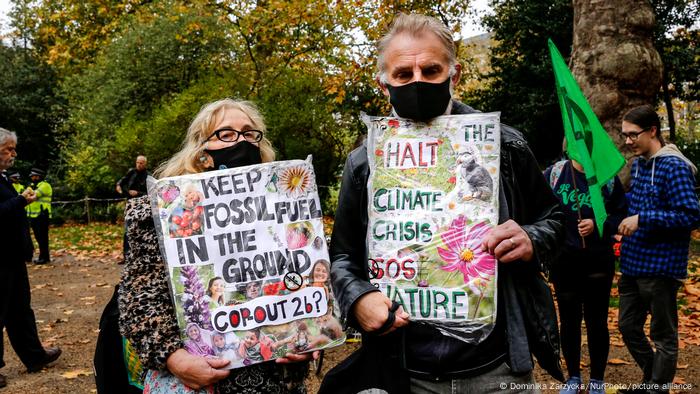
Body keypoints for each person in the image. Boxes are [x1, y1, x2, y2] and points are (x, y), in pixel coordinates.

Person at [328, 13, 565, 393]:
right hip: (402, 371)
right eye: (404, 74)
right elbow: (342, 256)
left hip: (498, 367)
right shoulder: (364, 161)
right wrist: (358, 299)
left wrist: (531, 238)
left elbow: (556, 218)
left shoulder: (504, 146)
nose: (418, 81)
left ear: (453, 76)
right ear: (384, 84)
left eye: (431, 70)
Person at [118, 99, 316, 393]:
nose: (241, 141)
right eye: (226, 134)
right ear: (202, 153)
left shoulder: (283, 209)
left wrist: (301, 341)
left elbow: (300, 285)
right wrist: (176, 360)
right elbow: (139, 299)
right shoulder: (164, 212)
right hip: (195, 381)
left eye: (249, 134)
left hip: (270, 380)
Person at [616, 105, 700, 394]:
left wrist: (643, 219)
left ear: (652, 131)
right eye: (625, 135)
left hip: (661, 267)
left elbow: (690, 214)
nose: (628, 141)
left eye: (633, 135)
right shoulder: (639, 165)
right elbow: (634, 206)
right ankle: (654, 380)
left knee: (663, 335)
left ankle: (655, 388)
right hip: (632, 264)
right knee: (628, 326)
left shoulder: (674, 167)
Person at [543, 147, 627, 394]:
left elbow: (621, 215)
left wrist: (598, 223)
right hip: (564, 260)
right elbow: (541, 208)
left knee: (596, 321)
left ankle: (598, 380)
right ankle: (573, 378)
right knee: (568, 321)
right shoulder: (555, 174)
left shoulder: (607, 178)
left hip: (598, 260)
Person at [0, 128, 61, 388]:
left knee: (20, 309)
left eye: (14, 148)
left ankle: (34, 356)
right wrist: (19, 201)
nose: (14, 154)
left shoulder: (1, 178)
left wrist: (19, 201)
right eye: (9, 149)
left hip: (11, 255)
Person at [116, 155, 150, 264]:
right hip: (130, 204)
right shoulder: (132, 172)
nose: (139, 165)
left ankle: (141, 257)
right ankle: (126, 257)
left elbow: (151, 193)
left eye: (141, 163)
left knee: (141, 231)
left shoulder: (148, 176)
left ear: (145, 164)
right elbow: (122, 181)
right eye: (137, 162)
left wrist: (138, 193)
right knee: (127, 231)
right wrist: (119, 186)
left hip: (142, 206)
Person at [27, 167, 52, 264]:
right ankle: (43, 256)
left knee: (42, 238)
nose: (32, 178)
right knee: (39, 238)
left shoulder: (45, 185)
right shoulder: (35, 185)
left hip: (42, 215)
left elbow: (33, 196)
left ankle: (44, 258)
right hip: (35, 217)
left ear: (38, 176)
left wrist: (28, 192)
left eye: (33, 176)